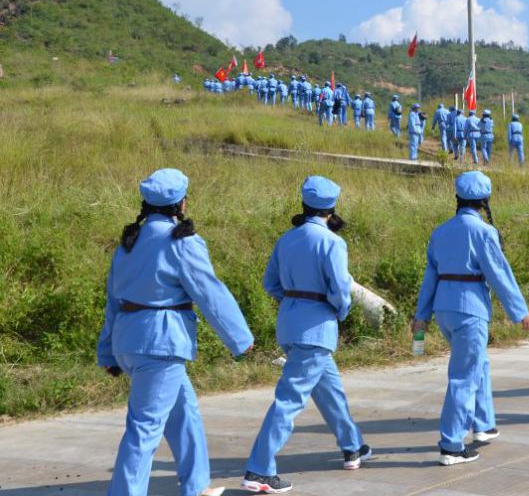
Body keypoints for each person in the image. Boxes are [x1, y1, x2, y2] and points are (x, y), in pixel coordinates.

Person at [98, 169, 253, 496]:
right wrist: (240, 340)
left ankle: (197, 486)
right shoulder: (181, 242)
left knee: (184, 414)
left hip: (130, 341)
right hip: (161, 344)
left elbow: (113, 299)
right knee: (144, 428)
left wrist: (108, 351)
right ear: (181, 204)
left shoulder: (129, 243)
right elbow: (210, 293)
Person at [244, 177, 372, 493]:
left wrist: (294, 301)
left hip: (290, 322)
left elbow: (269, 283)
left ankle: (352, 446)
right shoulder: (332, 242)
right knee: (289, 400)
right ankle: (259, 470)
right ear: (331, 209)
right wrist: (339, 312)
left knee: (330, 390)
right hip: (317, 326)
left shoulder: (287, 239)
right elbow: (341, 290)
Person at [412, 172, 529, 466]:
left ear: (458, 198)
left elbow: (431, 275)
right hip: (470, 309)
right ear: (484, 201)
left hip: (444, 308)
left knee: (478, 363)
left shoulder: (440, 232)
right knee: (463, 376)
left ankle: (484, 424)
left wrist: (421, 315)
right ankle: (452, 445)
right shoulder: (483, 232)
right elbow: (499, 273)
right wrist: (520, 311)